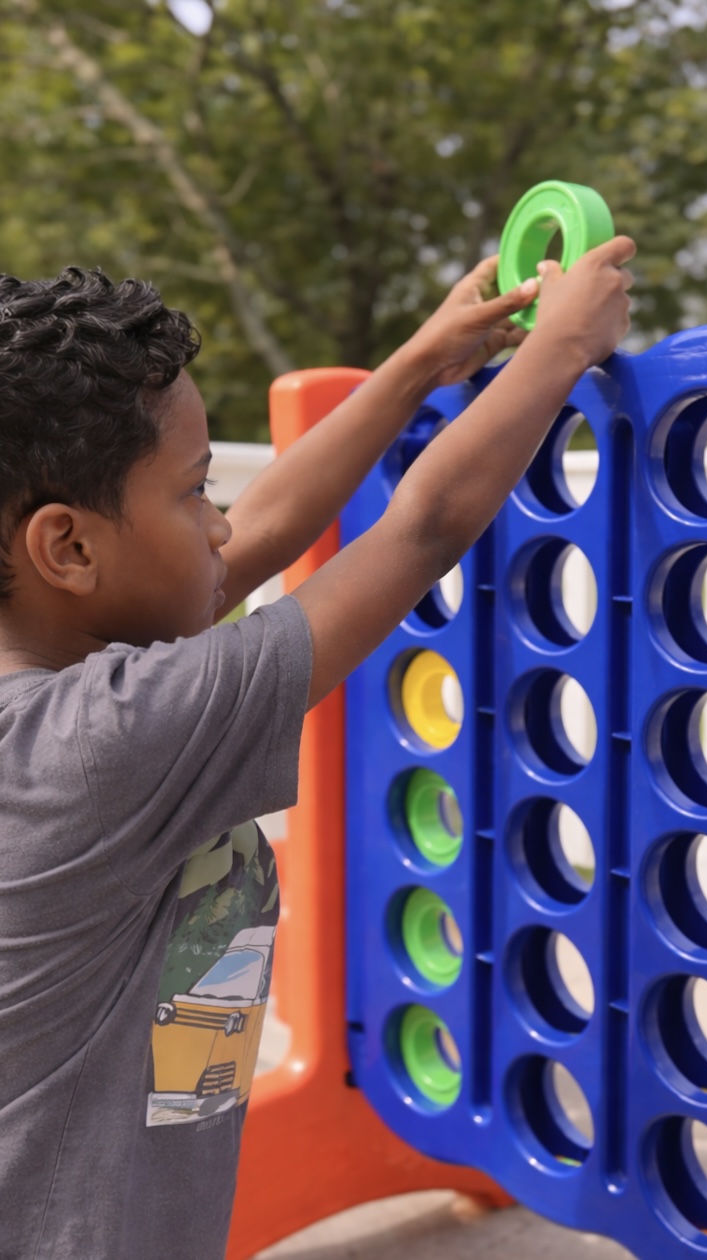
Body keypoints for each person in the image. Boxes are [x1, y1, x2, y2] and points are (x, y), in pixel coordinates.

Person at [0, 235, 634, 1260]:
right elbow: (421, 530)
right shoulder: (101, 741)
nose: (218, 526)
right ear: (68, 546)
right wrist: (556, 354)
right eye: (193, 490)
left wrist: (423, 361)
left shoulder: (64, 685)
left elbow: (263, 533)